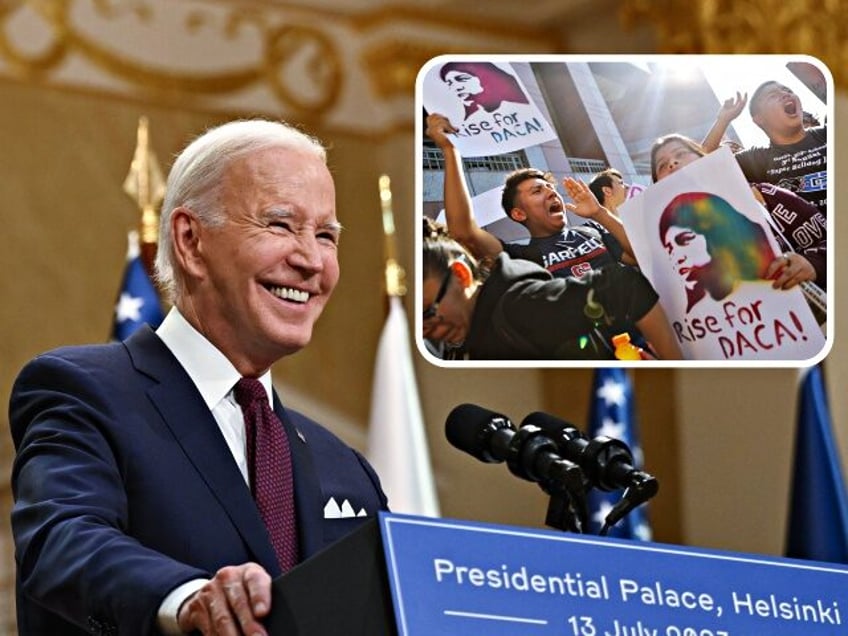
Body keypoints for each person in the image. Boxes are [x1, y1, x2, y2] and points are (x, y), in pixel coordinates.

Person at [9, 119, 388, 636]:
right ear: (190, 241)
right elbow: (62, 539)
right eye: (280, 225)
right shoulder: (83, 390)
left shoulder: (345, 469)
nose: (311, 260)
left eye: (326, 235)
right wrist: (188, 599)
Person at [425, 112, 654, 359]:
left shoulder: (592, 230)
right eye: (537, 191)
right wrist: (450, 151)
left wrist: (599, 213)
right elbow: (463, 231)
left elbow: (640, 256)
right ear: (518, 213)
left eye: (551, 189)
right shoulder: (518, 259)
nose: (551, 194)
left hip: (649, 338)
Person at [422, 218, 682, 360]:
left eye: (427, 312)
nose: (424, 330)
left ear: (461, 275)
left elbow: (624, 286)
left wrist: (675, 371)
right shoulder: (448, 351)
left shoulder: (523, 308)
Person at [651, 134, 826, 296]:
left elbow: (830, 240)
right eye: (662, 165)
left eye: (680, 153)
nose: (672, 163)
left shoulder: (762, 196)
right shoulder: (662, 243)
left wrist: (812, 263)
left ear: (703, 158)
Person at [702, 82, 827, 217]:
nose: (785, 94)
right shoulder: (756, 160)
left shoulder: (829, 134)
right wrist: (723, 120)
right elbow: (701, 161)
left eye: (787, 90)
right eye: (773, 96)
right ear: (758, 119)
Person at [658, 191, 775, 312]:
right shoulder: (685, 315)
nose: (675, 257)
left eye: (685, 240)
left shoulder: (772, 288)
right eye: (669, 249)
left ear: (716, 235)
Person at [438, 61, 529, 121]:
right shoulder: (469, 120)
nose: (456, 87)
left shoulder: (522, 109)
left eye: (462, 79)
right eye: (449, 83)